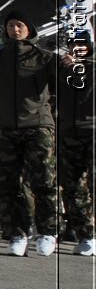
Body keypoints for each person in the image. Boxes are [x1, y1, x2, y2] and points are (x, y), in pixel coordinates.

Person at [0, 10, 62, 256]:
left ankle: (48, 232)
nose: (14, 30)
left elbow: (70, 82)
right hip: (6, 127)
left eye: (19, 26)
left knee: (43, 181)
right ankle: (17, 232)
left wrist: (71, 64)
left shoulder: (45, 58)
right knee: (8, 184)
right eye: (10, 26)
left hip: (38, 126)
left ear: (29, 29)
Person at [58, 35, 94, 256]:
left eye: (82, 45)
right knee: (73, 187)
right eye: (73, 45)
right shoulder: (62, 69)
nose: (77, 48)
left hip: (93, 129)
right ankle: (86, 234)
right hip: (69, 131)